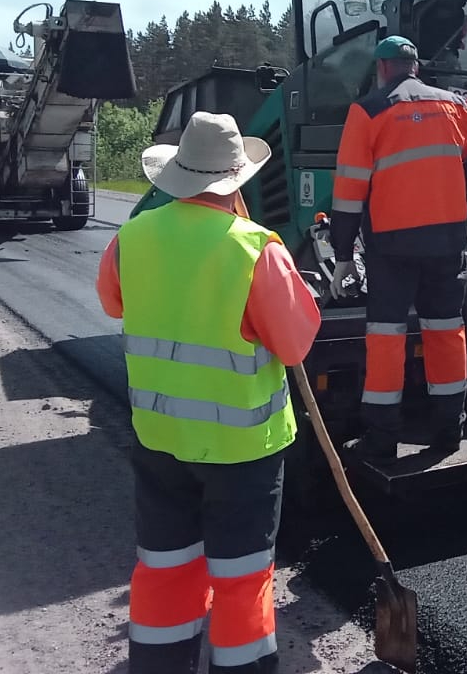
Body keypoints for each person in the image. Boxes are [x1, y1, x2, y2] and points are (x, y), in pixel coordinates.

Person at [95, 111, 321, 674]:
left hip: (160, 438)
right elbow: (294, 344)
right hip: (242, 452)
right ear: (237, 180)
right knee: (242, 580)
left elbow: (113, 302)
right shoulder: (255, 249)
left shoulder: (133, 237)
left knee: (166, 567)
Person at [329, 35, 467, 460]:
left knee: (386, 338)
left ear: (382, 70)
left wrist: (343, 256)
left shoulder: (368, 111)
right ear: (415, 66)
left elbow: (347, 192)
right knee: (446, 332)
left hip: (391, 248)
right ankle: (448, 433)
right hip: (446, 241)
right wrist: (464, 175)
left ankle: (381, 440)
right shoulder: (451, 104)